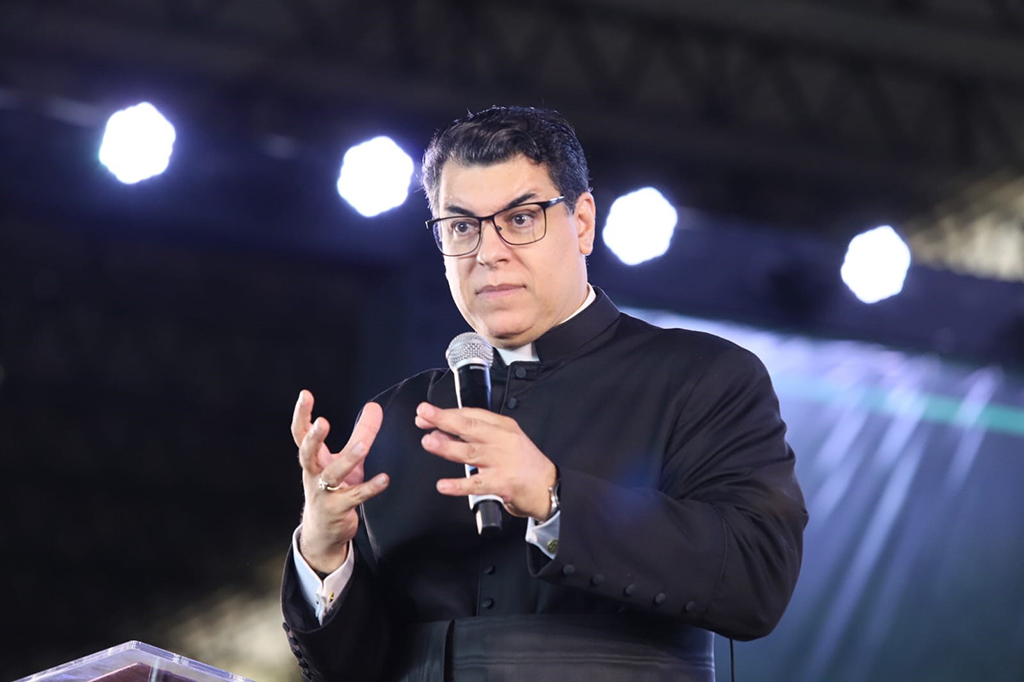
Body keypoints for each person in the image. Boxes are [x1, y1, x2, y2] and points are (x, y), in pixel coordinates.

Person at [280, 106, 808, 682]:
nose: (488, 252)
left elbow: (759, 579)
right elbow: (354, 671)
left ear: (582, 223)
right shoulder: (397, 416)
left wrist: (553, 497)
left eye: (521, 218)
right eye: (462, 227)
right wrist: (323, 552)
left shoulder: (703, 376)